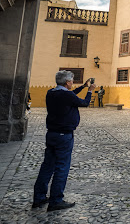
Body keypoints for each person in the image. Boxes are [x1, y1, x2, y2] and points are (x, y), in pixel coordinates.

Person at [33, 71, 95, 212]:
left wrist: (83, 86)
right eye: (72, 81)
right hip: (64, 136)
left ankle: (39, 198)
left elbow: (71, 96)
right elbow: (84, 103)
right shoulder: (67, 95)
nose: (72, 83)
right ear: (67, 82)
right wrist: (90, 91)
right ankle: (56, 201)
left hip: (52, 134)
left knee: (47, 166)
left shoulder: (51, 92)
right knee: (62, 167)